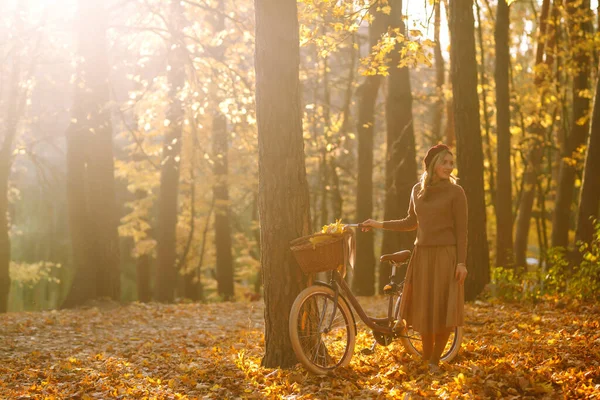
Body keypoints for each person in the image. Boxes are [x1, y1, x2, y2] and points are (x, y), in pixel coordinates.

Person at [361, 144, 468, 373]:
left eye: (451, 163)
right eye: (444, 162)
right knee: (424, 311)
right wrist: (378, 224)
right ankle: (426, 359)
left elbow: (462, 231)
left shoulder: (456, 192)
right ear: (432, 165)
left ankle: (434, 361)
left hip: (446, 256)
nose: (449, 167)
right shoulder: (417, 191)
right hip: (422, 256)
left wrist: (461, 262)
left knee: (442, 311)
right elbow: (409, 222)